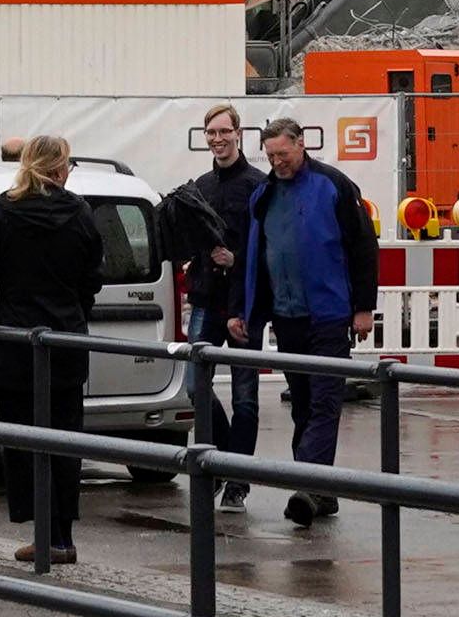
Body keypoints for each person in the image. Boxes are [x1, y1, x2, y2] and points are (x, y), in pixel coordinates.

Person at [0, 136, 111, 569]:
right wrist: (77, 313)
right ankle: (62, 538)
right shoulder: (78, 211)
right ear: (60, 168)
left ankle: (41, 536)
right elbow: (92, 275)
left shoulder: (3, 211)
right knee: (63, 441)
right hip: (64, 343)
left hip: (15, 343)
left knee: (22, 444)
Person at [232, 116, 380, 530]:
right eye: (271, 155)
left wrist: (363, 307)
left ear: (301, 145)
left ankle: (306, 484)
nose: (277, 161)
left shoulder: (333, 186)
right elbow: (255, 257)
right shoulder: (263, 195)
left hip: (329, 314)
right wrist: (246, 310)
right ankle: (320, 489)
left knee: (324, 401)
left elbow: (363, 247)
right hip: (288, 314)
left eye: (283, 153)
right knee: (301, 402)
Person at [156, 106, 266, 513]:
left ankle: (238, 480)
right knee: (193, 386)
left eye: (224, 131)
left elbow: (265, 250)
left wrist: (235, 260)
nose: (217, 139)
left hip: (244, 306)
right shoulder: (199, 186)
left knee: (246, 399)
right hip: (205, 299)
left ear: (239, 133)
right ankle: (223, 457)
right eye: (210, 132)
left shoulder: (258, 185)